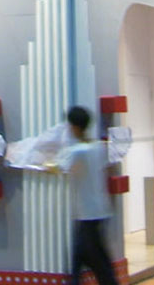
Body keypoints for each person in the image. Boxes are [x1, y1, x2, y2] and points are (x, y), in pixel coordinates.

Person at [56, 106, 119, 285]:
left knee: (96, 261)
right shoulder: (99, 147)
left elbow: (57, 166)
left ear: (74, 127)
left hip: (87, 214)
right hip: (99, 210)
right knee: (81, 257)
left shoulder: (77, 152)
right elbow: (109, 170)